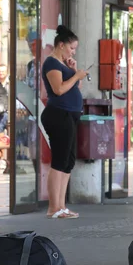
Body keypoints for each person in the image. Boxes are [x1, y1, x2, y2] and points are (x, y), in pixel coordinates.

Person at [40, 25, 89, 219]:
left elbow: (77, 86)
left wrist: (74, 70)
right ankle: (53, 207)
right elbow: (59, 89)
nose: (73, 51)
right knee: (59, 160)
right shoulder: (52, 63)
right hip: (58, 114)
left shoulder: (63, 65)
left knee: (68, 161)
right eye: (71, 48)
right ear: (61, 45)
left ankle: (61, 205)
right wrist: (76, 75)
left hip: (70, 115)